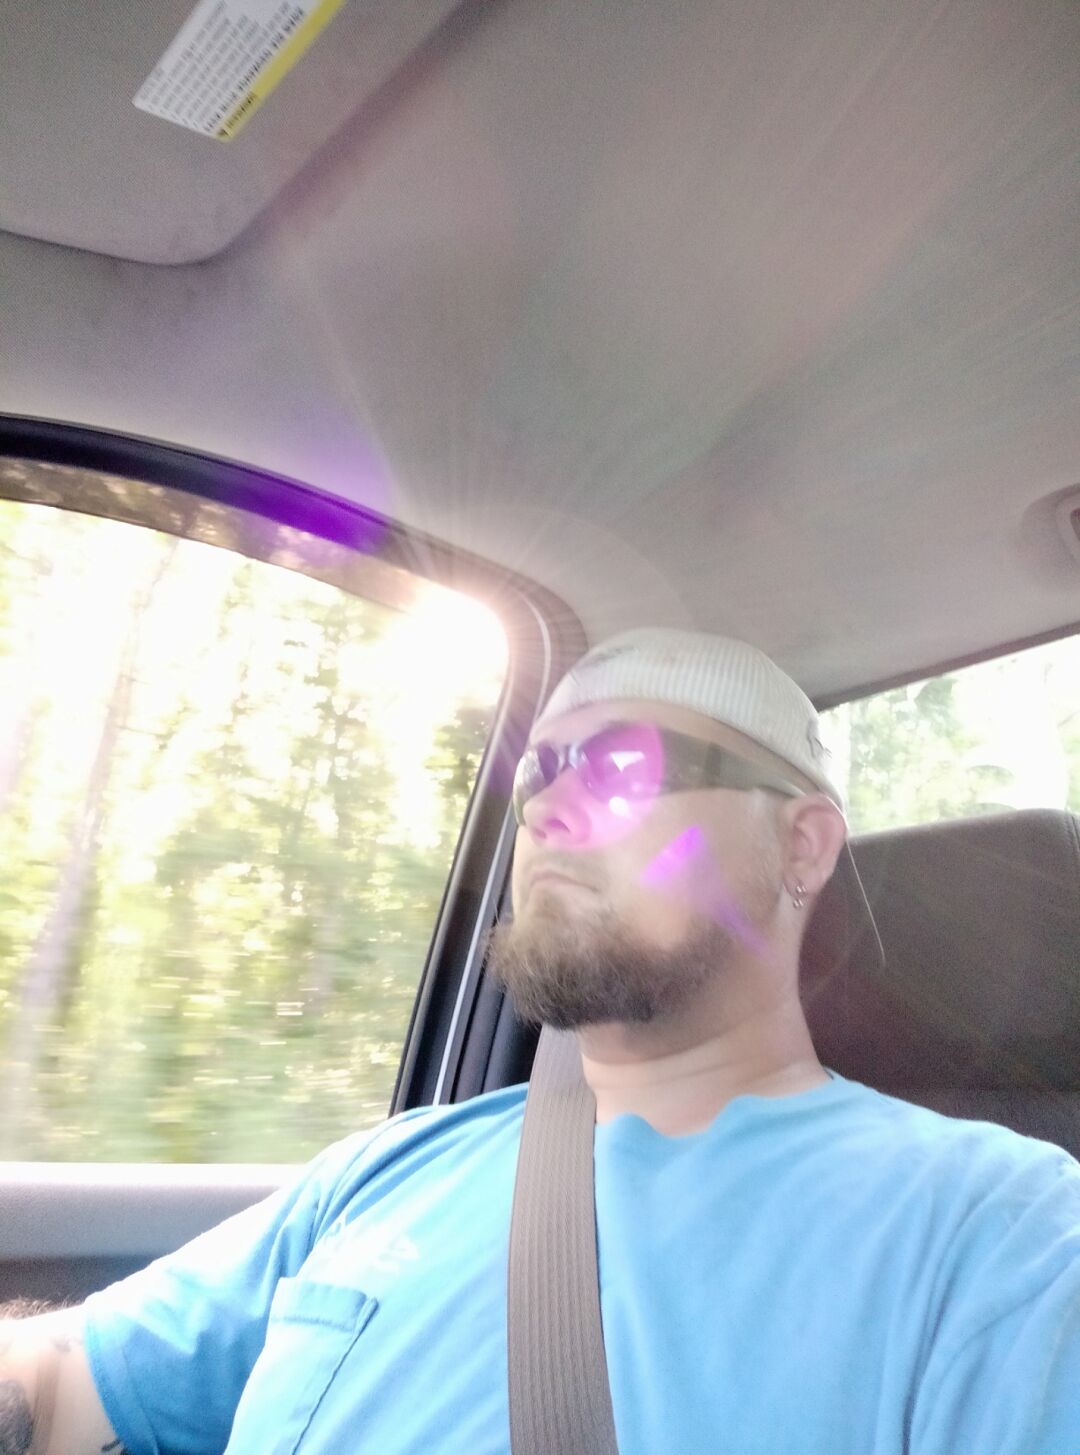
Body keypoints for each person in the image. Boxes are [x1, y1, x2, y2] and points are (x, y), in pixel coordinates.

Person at [2, 628, 1078, 1454]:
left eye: (621, 768)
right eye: (541, 772)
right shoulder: (388, 1169)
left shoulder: (1005, 1231)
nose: (551, 808)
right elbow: (62, 1379)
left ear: (801, 846)